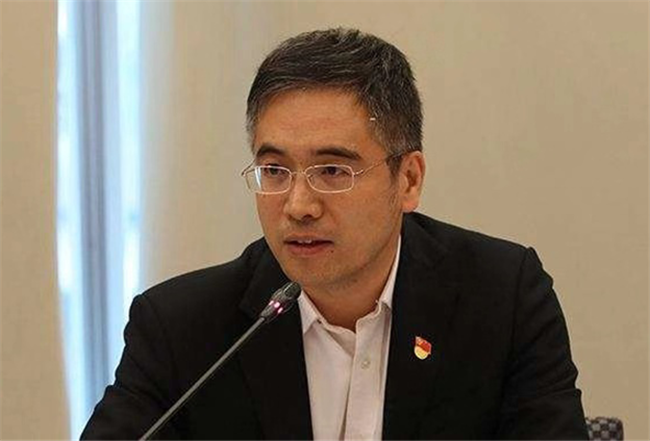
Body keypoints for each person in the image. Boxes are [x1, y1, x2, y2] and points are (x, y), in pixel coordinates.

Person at [81, 28, 588, 440]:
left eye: (332, 171)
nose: (298, 206)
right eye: (275, 171)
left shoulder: (502, 300)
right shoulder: (182, 330)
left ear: (408, 180)